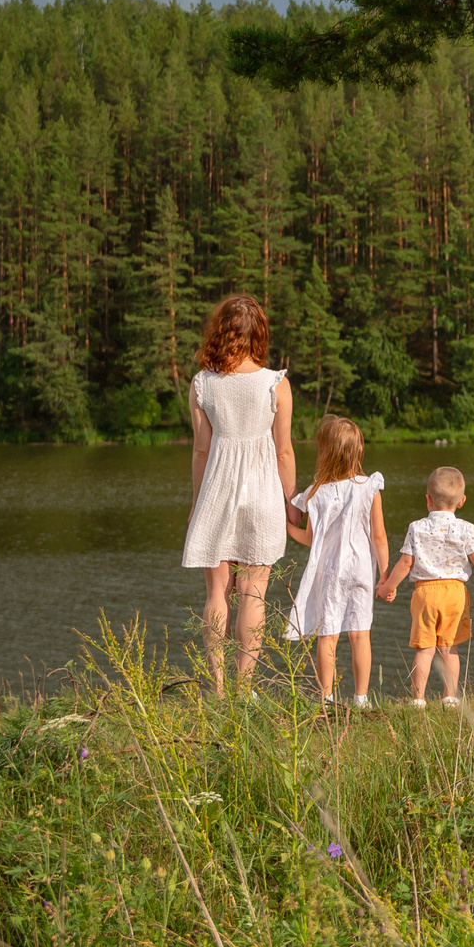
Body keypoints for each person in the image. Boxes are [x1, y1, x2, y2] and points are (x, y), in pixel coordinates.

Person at [178, 294, 293, 698]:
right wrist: (291, 501)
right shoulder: (276, 384)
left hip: (217, 491)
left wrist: (197, 503)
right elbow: (283, 452)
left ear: (220, 331)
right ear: (258, 333)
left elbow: (201, 451)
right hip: (263, 493)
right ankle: (245, 689)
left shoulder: (202, 384)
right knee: (253, 593)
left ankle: (218, 686)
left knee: (217, 592)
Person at [375, 467, 474, 707]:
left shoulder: (416, 527)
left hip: (425, 593)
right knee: (449, 648)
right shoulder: (466, 528)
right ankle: (449, 698)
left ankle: (418, 700)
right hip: (455, 594)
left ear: (428, 500)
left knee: (424, 649)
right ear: (462, 501)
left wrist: (387, 587)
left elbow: (406, 563)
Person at [285, 414, 387, 707]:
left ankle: (326, 698)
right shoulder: (369, 487)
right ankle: (361, 698)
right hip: (362, 571)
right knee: (360, 634)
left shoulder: (317, 493)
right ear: (358, 451)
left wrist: (286, 527)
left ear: (325, 453)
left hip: (330, 572)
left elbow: (309, 539)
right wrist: (384, 575)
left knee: (327, 635)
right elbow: (379, 536)